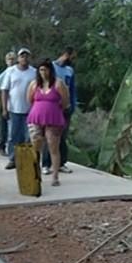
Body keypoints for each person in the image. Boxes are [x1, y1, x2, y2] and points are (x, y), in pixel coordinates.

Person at [26, 58, 70, 187]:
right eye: (41, 70)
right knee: (36, 146)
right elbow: (29, 99)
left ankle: (55, 176)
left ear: (51, 70)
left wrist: (56, 109)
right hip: (36, 118)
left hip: (53, 118)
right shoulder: (34, 84)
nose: (43, 72)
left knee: (53, 146)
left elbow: (65, 101)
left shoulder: (58, 83)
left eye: (46, 69)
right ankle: (35, 174)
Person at [42, 46, 77, 175]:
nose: (73, 59)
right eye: (72, 56)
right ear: (66, 55)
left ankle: (61, 163)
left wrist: (73, 105)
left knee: (63, 136)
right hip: (52, 107)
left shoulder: (70, 70)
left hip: (66, 108)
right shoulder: (51, 67)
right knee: (49, 136)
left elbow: (72, 89)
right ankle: (46, 163)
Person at [1, 48, 36, 170]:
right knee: (13, 136)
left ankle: (26, 159)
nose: (24, 58)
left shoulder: (34, 72)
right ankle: (12, 159)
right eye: (22, 56)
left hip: (29, 110)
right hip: (14, 109)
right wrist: (4, 108)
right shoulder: (11, 71)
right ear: (18, 58)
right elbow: (4, 90)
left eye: (26, 56)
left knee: (28, 137)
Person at [0, 52, 17, 156]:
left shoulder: (18, 72)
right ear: (6, 61)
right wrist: (3, 106)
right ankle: (2, 146)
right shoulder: (2, 75)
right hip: (5, 104)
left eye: (13, 59)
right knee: (4, 127)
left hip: (15, 104)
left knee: (13, 129)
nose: (11, 61)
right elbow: (1, 90)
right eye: (9, 59)